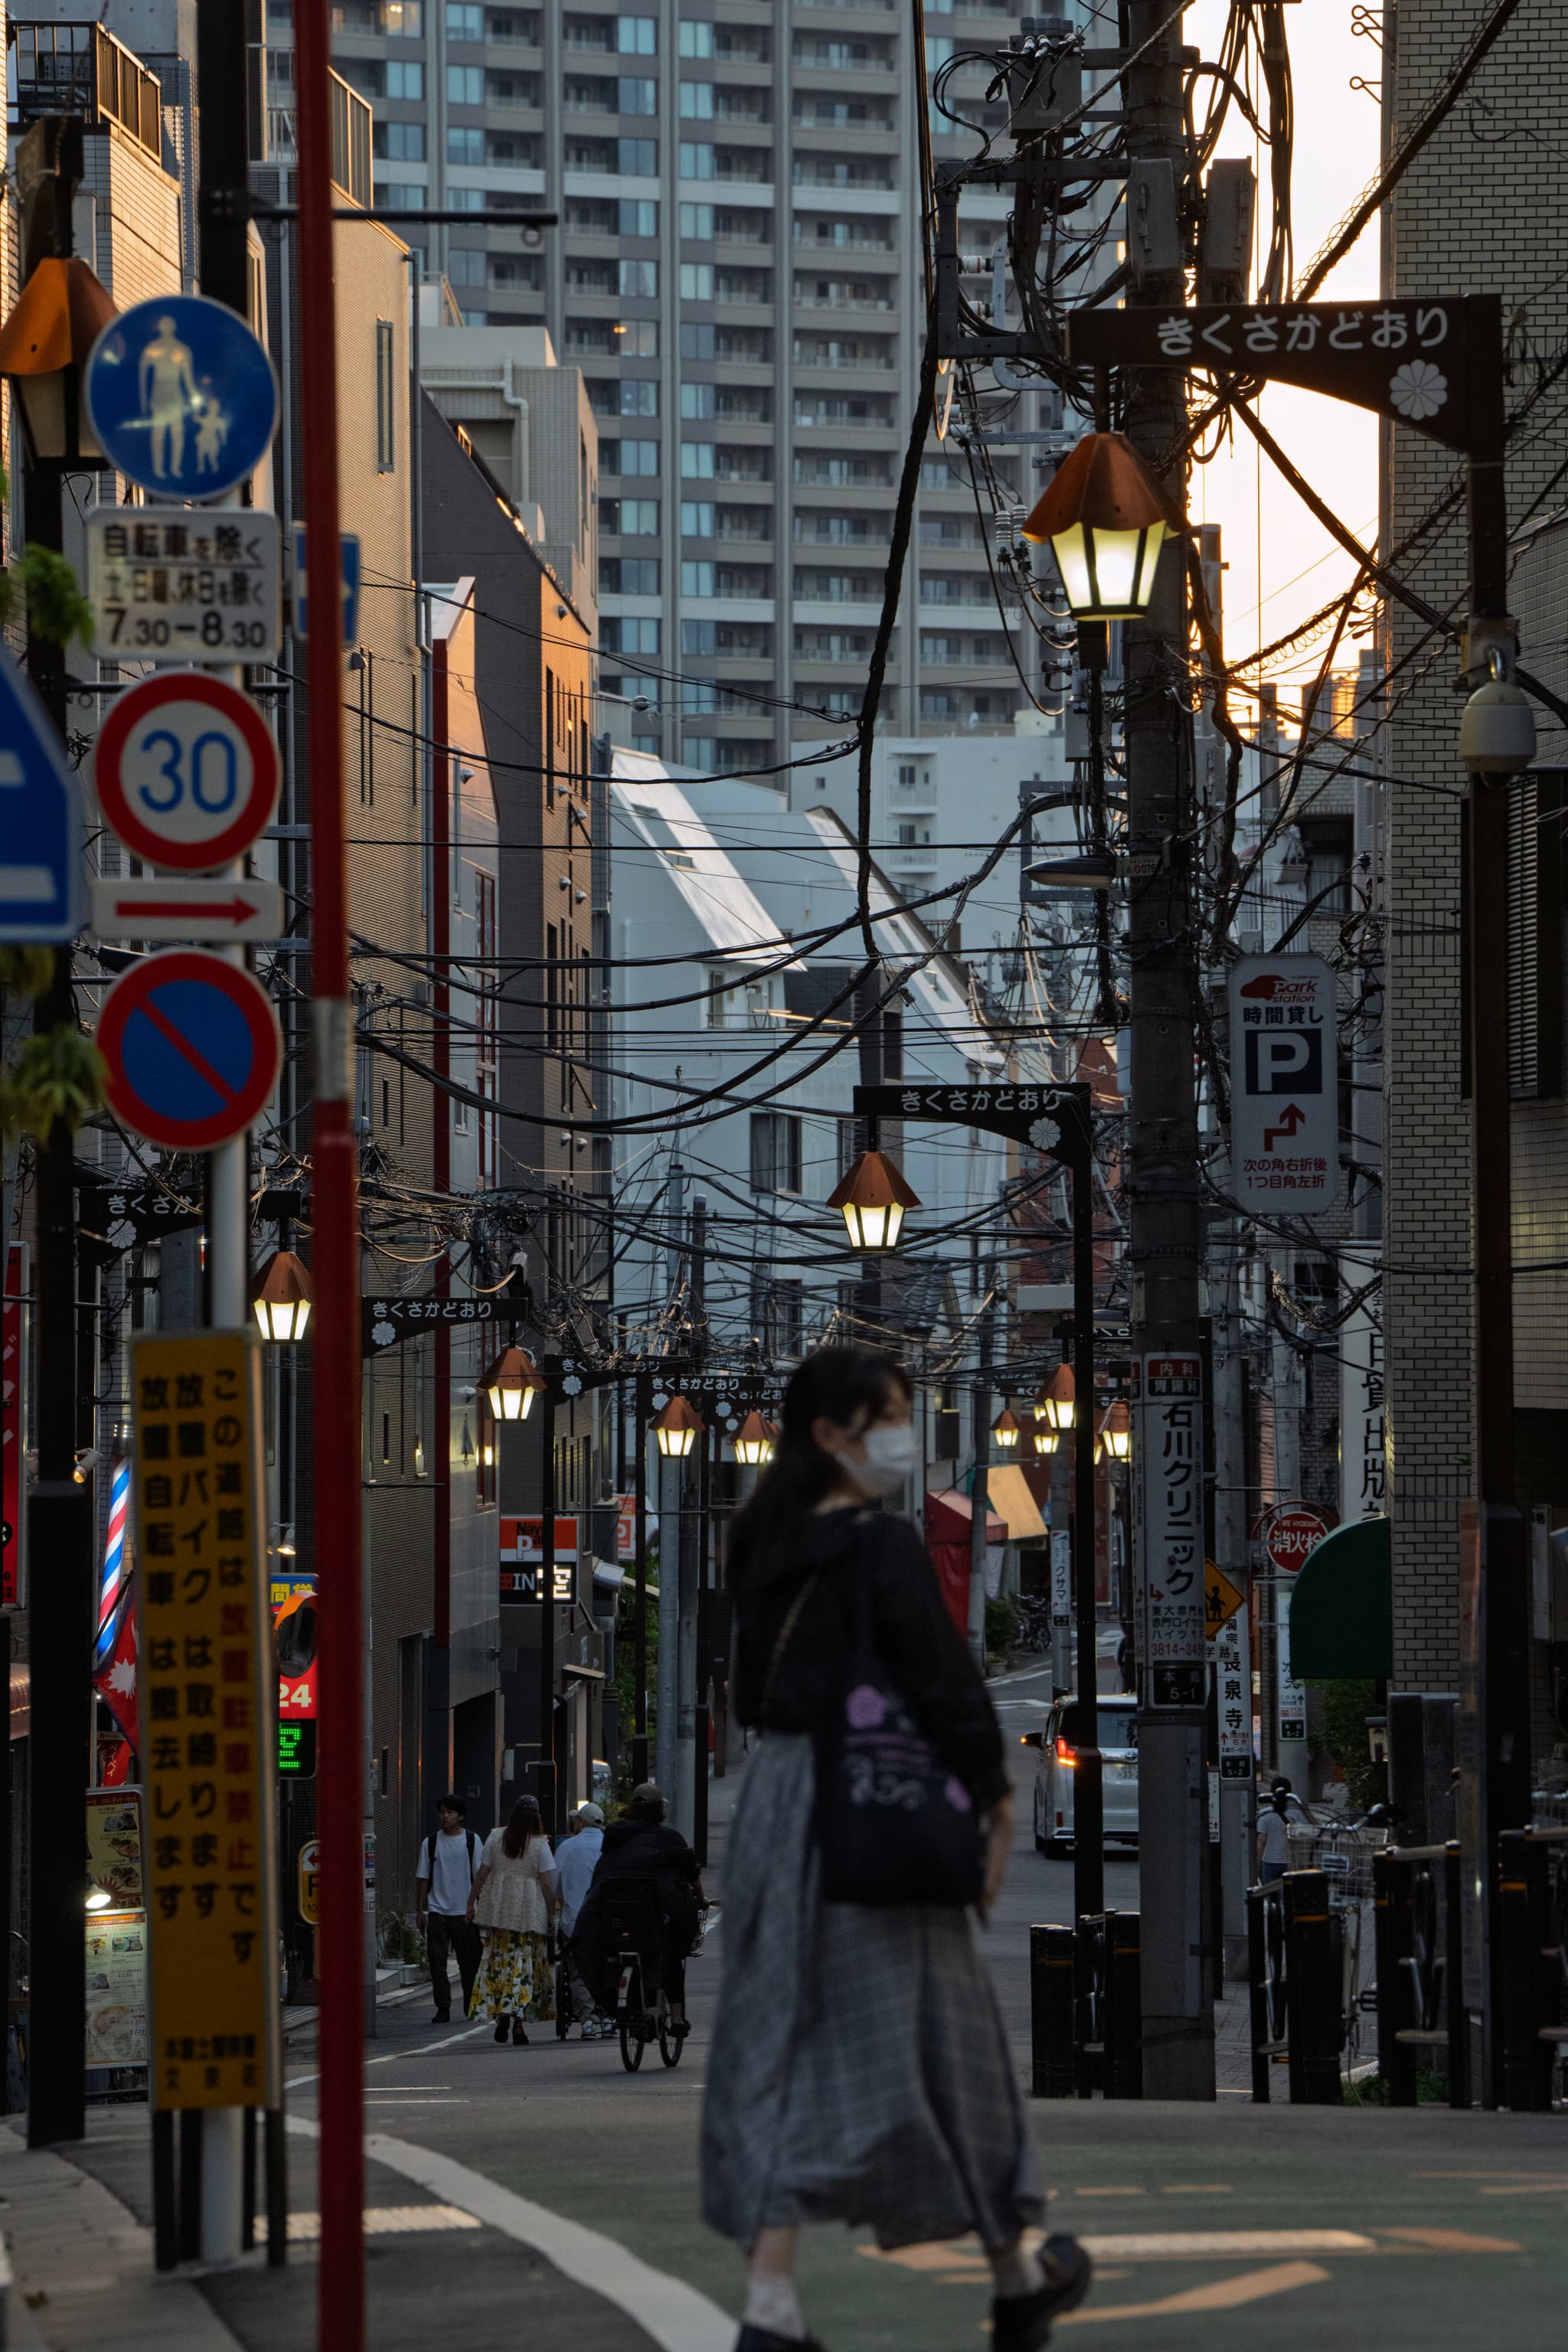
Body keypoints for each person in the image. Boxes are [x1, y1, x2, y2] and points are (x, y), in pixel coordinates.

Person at [700, 1344, 1091, 2352]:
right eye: (887, 1418)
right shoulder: (879, 1548)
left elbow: (750, 1693)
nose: (902, 1439)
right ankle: (1011, 2264)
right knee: (941, 2041)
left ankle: (774, 2304)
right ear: (832, 1434)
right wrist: (998, 1798)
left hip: (780, 1804)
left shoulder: (758, 1542)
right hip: (873, 1808)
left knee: (773, 2040)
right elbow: (945, 1681)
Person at [588, 1782, 704, 2032]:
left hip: (617, 1915)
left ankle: (628, 2005)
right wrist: (701, 1899)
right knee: (672, 1956)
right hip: (657, 1916)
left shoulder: (614, 1838)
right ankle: (676, 2017)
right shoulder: (668, 1838)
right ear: (659, 1810)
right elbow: (691, 1870)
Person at [467, 1797, 558, 2043]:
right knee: (525, 1964)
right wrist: (551, 1914)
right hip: (529, 1909)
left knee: (500, 1962)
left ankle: (501, 2016)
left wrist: (471, 1903)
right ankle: (518, 2023)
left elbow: (482, 1873)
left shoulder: (495, 1838)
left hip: (499, 1907)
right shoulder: (540, 1844)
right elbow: (547, 1883)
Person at [414, 1795, 482, 2025]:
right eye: (442, 1812)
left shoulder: (472, 1841)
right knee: (437, 1963)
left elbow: (480, 1877)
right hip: (437, 1910)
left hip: (464, 1911)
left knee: (468, 1962)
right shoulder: (430, 1843)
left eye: (450, 1812)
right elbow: (423, 1878)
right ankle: (442, 2007)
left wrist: (475, 1906)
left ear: (460, 1816)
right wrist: (421, 1910)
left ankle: (469, 2005)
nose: (445, 1816)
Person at [554, 1800, 609, 2038]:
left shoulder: (566, 1848)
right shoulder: (609, 1847)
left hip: (573, 1921)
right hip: (605, 1921)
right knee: (607, 1967)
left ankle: (587, 2020)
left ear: (581, 1822)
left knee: (577, 1972)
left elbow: (556, 1888)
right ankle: (608, 2017)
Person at [1257, 1787, 1292, 1884]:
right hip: (1290, 1862)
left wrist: (1257, 1863)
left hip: (1269, 1862)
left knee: (1269, 1892)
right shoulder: (1296, 1813)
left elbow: (1262, 1840)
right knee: (1288, 1893)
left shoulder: (1265, 1814)